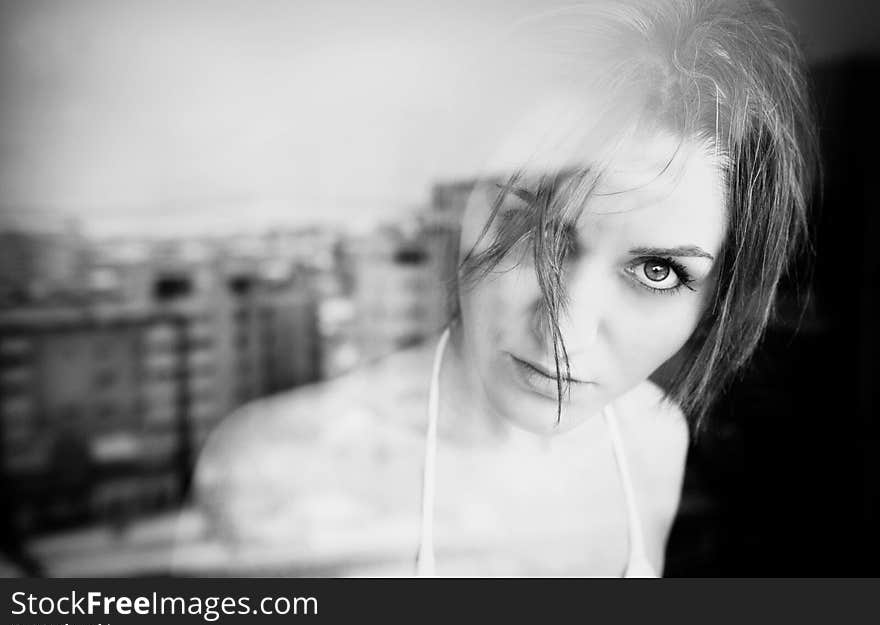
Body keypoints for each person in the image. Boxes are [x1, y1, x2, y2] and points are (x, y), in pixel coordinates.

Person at [172, 0, 817, 577]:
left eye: (656, 271)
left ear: (715, 296)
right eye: (532, 228)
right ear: (460, 206)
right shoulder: (277, 471)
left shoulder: (654, 442)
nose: (564, 332)